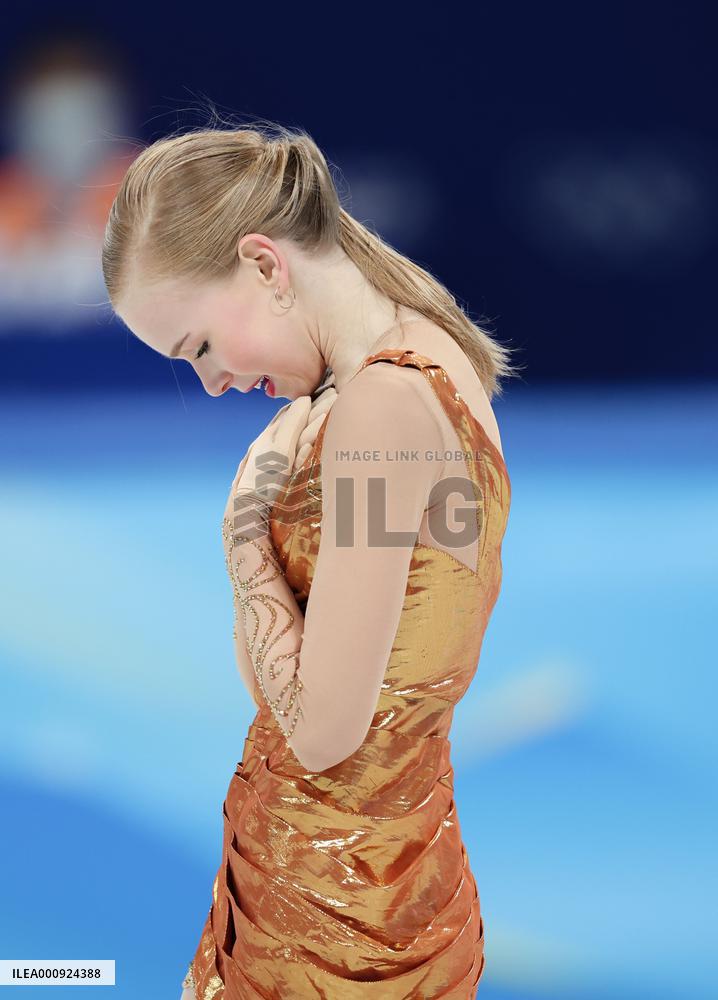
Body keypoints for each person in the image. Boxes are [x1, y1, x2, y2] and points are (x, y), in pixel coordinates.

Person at [104, 120, 520, 999]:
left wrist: (244, 539)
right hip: (378, 886)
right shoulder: (425, 356)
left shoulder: (379, 414)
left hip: (332, 926)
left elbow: (323, 730)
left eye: (201, 349)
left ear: (264, 264)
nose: (212, 383)